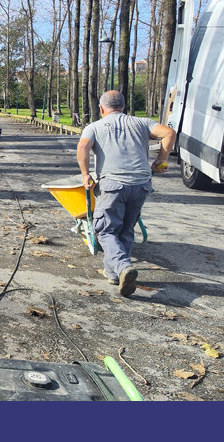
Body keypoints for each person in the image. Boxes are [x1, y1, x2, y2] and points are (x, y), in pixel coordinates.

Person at [76, 90, 176, 297]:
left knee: (104, 230)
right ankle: (113, 273)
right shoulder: (142, 122)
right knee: (126, 228)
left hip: (113, 185)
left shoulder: (94, 127)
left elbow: (83, 146)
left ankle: (123, 267)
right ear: (123, 106)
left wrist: (85, 174)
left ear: (102, 108)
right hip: (140, 184)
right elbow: (169, 133)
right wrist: (160, 160)